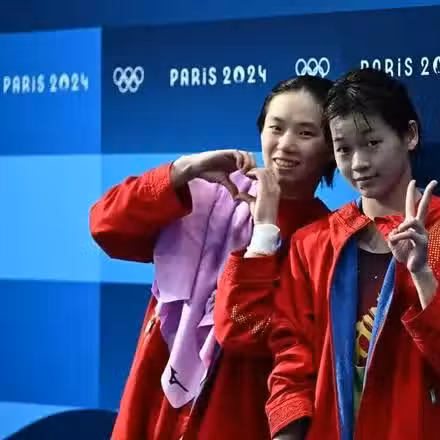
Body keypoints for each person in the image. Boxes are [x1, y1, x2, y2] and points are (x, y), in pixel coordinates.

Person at [266, 68, 440, 440]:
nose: (358, 163)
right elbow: (291, 355)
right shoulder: (313, 243)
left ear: (409, 135)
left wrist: (424, 278)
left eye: (372, 143)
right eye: (344, 149)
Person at [89, 75, 335, 440]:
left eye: (305, 133)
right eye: (276, 128)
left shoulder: (323, 237)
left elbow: (246, 330)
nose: (285, 144)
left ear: (332, 148)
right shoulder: (210, 195)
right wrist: (184, 170)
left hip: (233, 412)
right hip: (154, 402)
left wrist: (264, 232)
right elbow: (106, 226)